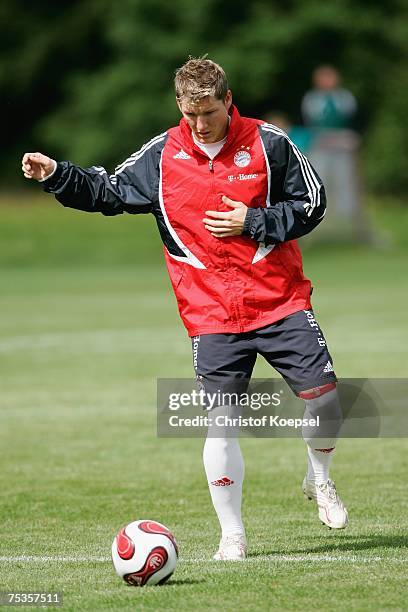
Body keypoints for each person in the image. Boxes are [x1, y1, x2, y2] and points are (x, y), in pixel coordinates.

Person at [22, 57, 348, 561]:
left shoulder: (269, 142)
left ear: (228, 100)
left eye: (210, 112)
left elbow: (314, 203)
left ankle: (319, 477)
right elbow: (108, 190)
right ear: (179, 104)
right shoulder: (162, 155)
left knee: (326, 400)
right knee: (221, 421)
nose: (200, 124)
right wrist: (57, 175)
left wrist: (254, 220)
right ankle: (232, 534)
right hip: (210, 311)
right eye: (190, 113)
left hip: (279, 300)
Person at [301, 65, 371, 241]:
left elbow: (349, 121)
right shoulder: (312, 99)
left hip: (342, 148)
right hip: (321, 147)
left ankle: (355, 225)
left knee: (347, 183)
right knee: (316, 183)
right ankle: (310, 223)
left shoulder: (344, 98)